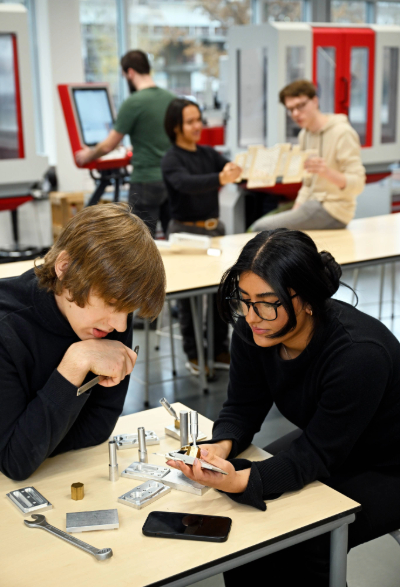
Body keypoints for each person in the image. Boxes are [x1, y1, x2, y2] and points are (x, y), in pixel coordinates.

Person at [166, 228, 400, 585]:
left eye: (266, 302)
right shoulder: (254, 331)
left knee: (312, 539)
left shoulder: (358, 355)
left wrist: (242, 479)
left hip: (387, 463)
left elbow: (315, 456)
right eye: (243, 299)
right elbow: (242, 407)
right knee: (241, 523)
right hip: (331, 442)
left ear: (305, 298)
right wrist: (221, 445)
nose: (252, 315)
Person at [0, 203, 165, 481]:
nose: (121, 325)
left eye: (128, 310)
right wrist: (74, 364)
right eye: (111, 304)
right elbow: (15, 462)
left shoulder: (106, 319)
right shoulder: (8, 327)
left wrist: (35, 439)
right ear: (64, 268)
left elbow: (98, 428)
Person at [161, 98, 242, 374]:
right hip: (184, 235)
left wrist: (238, 170)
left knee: (222, 291)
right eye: (190, 121)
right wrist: (221, 178)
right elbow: (185, 183)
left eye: (199, 120)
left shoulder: (209, 153)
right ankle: (194, 354)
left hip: (215, 232)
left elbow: (229, 169)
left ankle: (219, 349)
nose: (198, 126)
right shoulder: (171, 159)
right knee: (189, 298)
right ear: (176, 127)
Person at [75, 50, 175, 238]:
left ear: (129, 72)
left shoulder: (134, 102)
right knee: (170, 238)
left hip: (145, 180)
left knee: (140, 241)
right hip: (170, 178)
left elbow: (107, 146)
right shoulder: (170, 98)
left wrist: (86, 155)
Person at [250, 79, 366, 232]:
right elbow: (308, 184)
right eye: (291, 109)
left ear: (315, 101)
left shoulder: (342, 132)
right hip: (311, 204)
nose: (296, 113)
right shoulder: (305, 135)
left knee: (261, 227)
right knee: (259, 225)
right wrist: (296, 211)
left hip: (333, 209)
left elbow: (358, 184)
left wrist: (326, 172)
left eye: (300, 106)